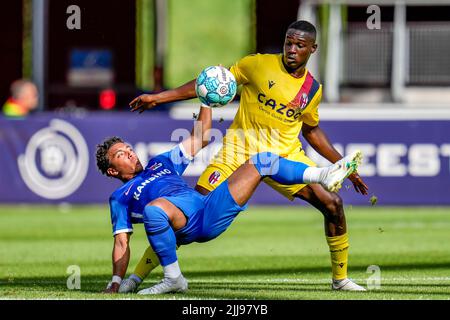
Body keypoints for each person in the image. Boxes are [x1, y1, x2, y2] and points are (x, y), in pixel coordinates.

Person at [127, 20, 369, 292]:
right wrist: (159, 97)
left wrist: (341, 164)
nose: (291, 49)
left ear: (313, 49)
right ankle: (135, 278)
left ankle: (341, 279)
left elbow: (311, 130)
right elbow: (208, 83)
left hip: (284, 156)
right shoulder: (257, 64)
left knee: (333, 204)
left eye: (299, 45)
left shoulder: (312, 90)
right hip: (237, 153)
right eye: (288, 42)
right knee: (188, 215)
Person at [97, 103, 363, 294]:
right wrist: (117, 281)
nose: (129, 152)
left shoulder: (161, 163)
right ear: (112, 170)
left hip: (208, 209)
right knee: (155, 211)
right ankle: (173, 278)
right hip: (184, 224)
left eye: (128, 148)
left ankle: (323, 175)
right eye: (120, 154)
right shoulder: (120, 197)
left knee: (262, 161)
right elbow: (122, 241)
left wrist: (205, 100)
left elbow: (200, 137)